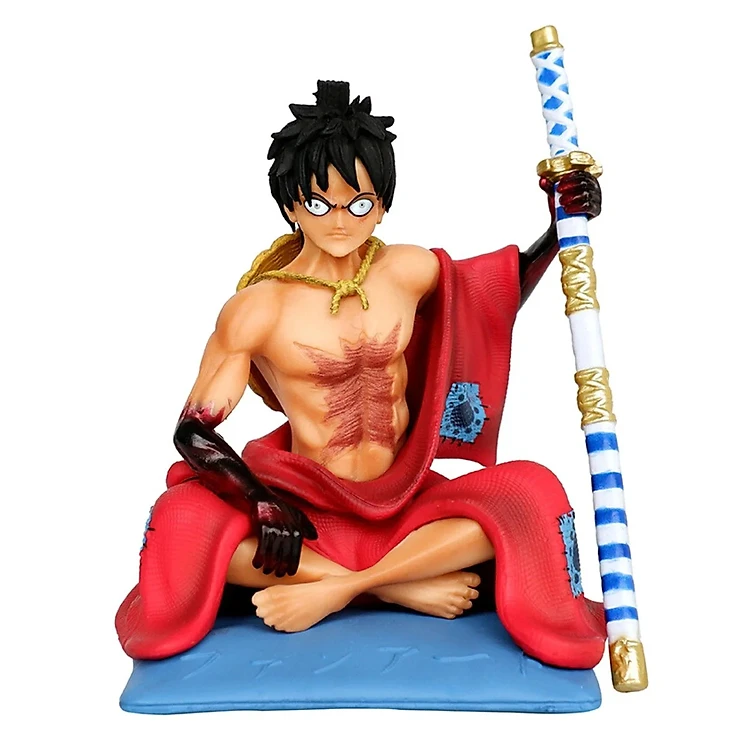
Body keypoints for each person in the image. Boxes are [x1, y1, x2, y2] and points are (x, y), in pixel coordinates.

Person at [116, 80, 606, 668]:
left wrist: (559, 225)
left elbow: (492, 296)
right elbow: (194, 431)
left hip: (401, 501)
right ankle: (399, 583)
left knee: (531, 492)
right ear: (291, 205)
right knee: (182, 519)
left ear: (382, 203)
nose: (341, 220)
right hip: (305, 508)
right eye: (319, 203)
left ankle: (344, 585)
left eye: (359, 203)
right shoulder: (259, 308)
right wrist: (262, 503)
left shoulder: (404, 270)